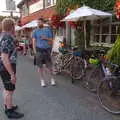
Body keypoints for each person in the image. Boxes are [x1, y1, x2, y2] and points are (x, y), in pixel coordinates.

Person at [0, 18, 24, 119]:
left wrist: (15, 48)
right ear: (12, 27)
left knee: (7, 88)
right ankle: (9, 111)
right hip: (6, 67)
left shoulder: (3, 36)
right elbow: (5, 57)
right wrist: (12, 74)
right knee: (9, 89)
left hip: (4, 66)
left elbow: (6, 53)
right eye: (14, 26)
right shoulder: (7, 37)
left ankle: (8, 105)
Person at [32, 18, 55, 87]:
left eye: (39, 22)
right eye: (37, 22)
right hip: (39, 51)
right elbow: (34, 42)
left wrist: (45, 38)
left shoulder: (47, 30)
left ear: (42, 23)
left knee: (49, 66)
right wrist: (35, 52)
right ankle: (42, 80)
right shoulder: (35, 31)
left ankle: (52, 79)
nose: (38, 24)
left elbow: (51, 40)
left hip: (46, 50)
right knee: (40, 67)